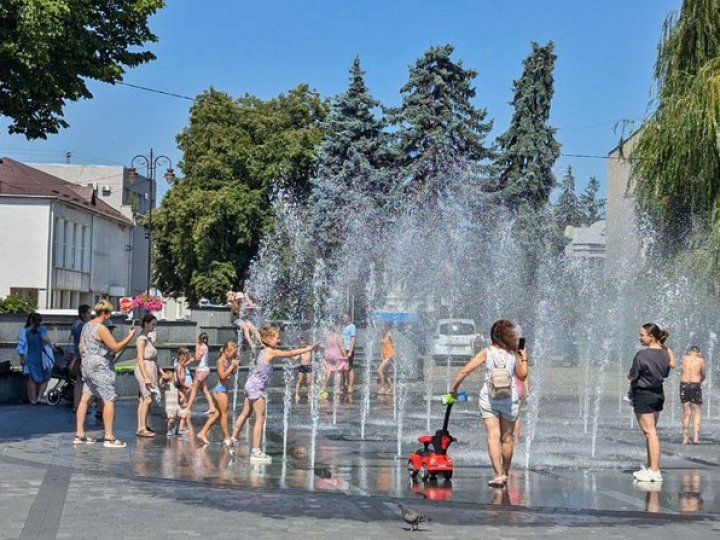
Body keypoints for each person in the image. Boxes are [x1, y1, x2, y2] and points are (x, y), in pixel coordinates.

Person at [450, 319, 528, 488]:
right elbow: (522, 376)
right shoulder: (516, 352)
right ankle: (506, 473)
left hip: (490, 399)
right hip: (510, 398)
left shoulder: (487, 352)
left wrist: (454, 388)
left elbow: (465, 370)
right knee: (507, 439)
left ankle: (498, 475)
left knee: (493, 436)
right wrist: (524, 355)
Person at [231, 326, 319, 463]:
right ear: (268, 339)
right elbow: (290, 353)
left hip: (251, 384)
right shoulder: (271, 352)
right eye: (277, 337)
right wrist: (309, 349)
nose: (279, 339)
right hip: (257, 387)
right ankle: (255, 452)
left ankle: (232, 439)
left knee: (245, 413)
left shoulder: (263, 349)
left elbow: (259, 333)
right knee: (260, 418)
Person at [74, 300, 135, 447]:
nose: (110, 316)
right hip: (100, 366)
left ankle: (80, 434)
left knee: (85, 400)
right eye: (110, 313)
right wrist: (129, 337)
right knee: (109, 399)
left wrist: (88, 357)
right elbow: (115, 347)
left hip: (86, 364)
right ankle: (109, 437)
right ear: (105, 313)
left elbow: (80, 346)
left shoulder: (86, 326)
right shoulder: (101, 328)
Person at [628, 323, 674, 483]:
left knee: (650, 433)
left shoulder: (642, 355)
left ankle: (655, 470)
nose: (640, 338)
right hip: (658, 394)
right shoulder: (665, 353)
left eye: (642, 335)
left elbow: (633, 375)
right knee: (650, 432)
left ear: (651, 336)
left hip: (643, 394)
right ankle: (650, 468)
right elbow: (666, 373)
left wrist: (630, 376)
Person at [197, 342, 240, 446]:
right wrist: (232, 366)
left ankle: (202, 433)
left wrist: (235, 364)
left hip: (223, 390)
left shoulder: (227, 361)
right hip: (220, 390)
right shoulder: (220, 361)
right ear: (226, 351)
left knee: (217, 414)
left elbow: (233, 373)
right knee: (224, 415)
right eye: (233, 353)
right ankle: (226, 437)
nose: (234, 355)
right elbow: (222, 376)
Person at [134, 314, 162, 437]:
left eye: (155, 325)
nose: (154, 327)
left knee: (144, 399)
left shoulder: (148, 338)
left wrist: (160, 371)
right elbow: (140, 358)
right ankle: (141, 428)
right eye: (153, 324)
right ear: (146, 323)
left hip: (151, 369)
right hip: (144, 369)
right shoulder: (141, 339)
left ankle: (143, 425)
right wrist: (145, 376)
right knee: (147, 398)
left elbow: (154, 358)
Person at [181, 333, 216, 416]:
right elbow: (195, 358)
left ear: (199, 339)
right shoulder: (206, 347)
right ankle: (212, 407)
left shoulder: (201, 347)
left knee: (194, 389)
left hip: (201, 370)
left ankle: (188, 408)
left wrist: (197, 348)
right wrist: (186, 364)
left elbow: (197, 357)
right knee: (204, 389)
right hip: (206, 369)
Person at [24, 313, 54, 404]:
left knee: (32, 379)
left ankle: (32, 400)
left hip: (31, 357)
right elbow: (44, 338)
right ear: (40, 320)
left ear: (31, 320)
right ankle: (39, 397)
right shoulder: (42, 329)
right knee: (45, 378)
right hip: (42, 357)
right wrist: (51, 345)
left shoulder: (27, 330)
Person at [680, 346, 706, 445]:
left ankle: (685, 438)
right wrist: (699, 381)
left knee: (686, 412)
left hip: (684, 385)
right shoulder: (701, 360)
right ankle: (695, 437)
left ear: (690, 351)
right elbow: (703, 374)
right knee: (697, 412)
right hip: (695, 385)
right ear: (698, 352)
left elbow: (682, 371)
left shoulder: (684, 358)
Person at [69, 304, 92, 412]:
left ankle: (76, 405)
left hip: (77, 356)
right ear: (83, 314)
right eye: (88, 313)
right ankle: (82, 406)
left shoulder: (76, 325)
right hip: (83, 356)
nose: (90, 315)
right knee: (85, 382)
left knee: (79, 382)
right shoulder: (83, 326)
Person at [320, 324, 348, 395]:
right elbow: (341, 347)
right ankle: (337, 389)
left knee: (328, 371)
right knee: (338, 372)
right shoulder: (338, 337)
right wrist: (345, 356)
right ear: (335, 329)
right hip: (336, 356)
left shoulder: (328, 337)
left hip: (328, 356)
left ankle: (323, 386)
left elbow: (323, 345)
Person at [294, 337, 313, 404]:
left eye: (303, 342)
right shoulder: (300, 350)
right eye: (301, 343)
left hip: (308, 366)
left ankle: (309, 394)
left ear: (305, 342)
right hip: (302, 366)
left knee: (308, 381)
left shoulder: (309, 348)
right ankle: (296, 395)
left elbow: (315, 346)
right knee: (299, 381)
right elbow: (295, 358)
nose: (302, 344)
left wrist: (319, 343)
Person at [341, 313, 357, 394]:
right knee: (343, 368)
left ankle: (350, 386)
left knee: (350, 367)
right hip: (343, 349)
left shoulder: (352, 326)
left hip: (348, 349)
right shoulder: (343, 327)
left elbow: (353, 339)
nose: (344, 319)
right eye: (343, 317)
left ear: (349, 318)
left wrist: (350, 351)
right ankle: (345, 384)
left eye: (345, 317)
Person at [378, 324, 395, 395]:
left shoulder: (389, 334)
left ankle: (382, 387)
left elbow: (393, 344)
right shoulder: (382, 336)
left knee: (379, 370)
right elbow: (382, 347)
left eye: (383, 327)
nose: (382, 328)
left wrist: (394, 353)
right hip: (385, 357)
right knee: (386, 373)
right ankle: (391, 388)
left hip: (390, 356)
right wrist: (382, 355)